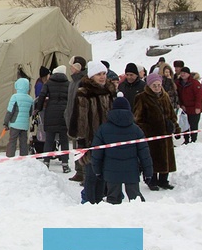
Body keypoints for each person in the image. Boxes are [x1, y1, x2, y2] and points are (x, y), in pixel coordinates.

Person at [92, 95, 154, 204]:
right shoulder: (136, 130)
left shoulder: (103, 129)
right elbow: (144, 153)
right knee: (135, 198)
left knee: (113, 198)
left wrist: (97, 170)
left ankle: (114, 219)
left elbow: (97, 153)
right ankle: (139, 218)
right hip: (132, 171)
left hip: (111, 171)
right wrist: (148, 172)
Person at [70, 61, 116, 203]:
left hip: (107, 139)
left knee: (102, 174)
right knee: (91, 174)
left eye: (104, 74)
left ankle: (99, 201)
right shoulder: (84, 93)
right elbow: (80, 118)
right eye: (98, 74)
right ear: (91, 76)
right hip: (91, 139)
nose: (102, 77)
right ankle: (89, 203)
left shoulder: (110, 91)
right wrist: (81, 138)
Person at [132, 72, 177, 190]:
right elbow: (137, 119)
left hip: (166, 134)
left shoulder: (165, 96)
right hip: (151, 136)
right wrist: (147, 130)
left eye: (158, 85)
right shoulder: (142, 97)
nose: (157, 87)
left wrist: (174, 126)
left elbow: (172, 114)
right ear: (149, 85)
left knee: (165, 158)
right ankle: (151, 180)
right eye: (154, 85)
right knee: (152, 158)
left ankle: (163, 180)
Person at [37, 65, 71, 173]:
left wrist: (39, 108)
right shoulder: (68, 84)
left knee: (49, 139)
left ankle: (46, 162)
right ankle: (65, 164)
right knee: (64, 140)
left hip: (51, 113)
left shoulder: (48, 83)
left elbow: (42, 96)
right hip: (64, 114)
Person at [3, 76, 33, 158]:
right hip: (24, 124)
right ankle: (24, 157)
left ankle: (10, 156)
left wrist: (6, 122)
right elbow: (30, 112)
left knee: (12, 140)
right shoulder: (30, 99)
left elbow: (10, 111)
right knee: (23, 141)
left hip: (15, 123)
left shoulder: (14, 97)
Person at [176, 66, 202, 144]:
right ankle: (186, 139)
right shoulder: (178, 83)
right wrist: (181, 104)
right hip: (184, 108)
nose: (182, 74)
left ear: (188, 74)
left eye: (184, 73)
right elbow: (177, 95)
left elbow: (199, 96)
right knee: (185, 124)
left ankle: (193, 140)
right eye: (181, 73)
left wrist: (198, 107)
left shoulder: (195, 83)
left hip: (194, 108)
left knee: (193, 125)